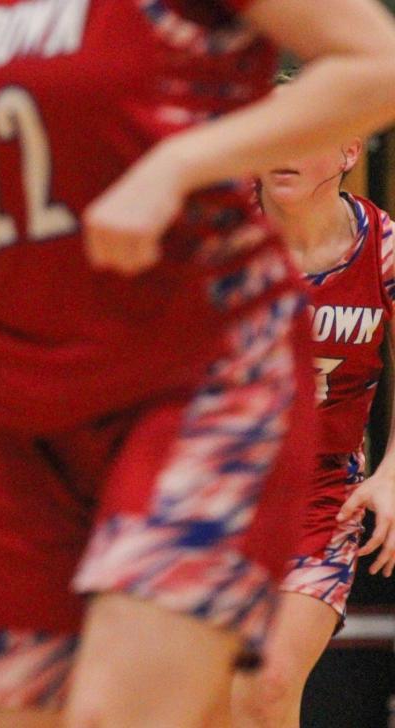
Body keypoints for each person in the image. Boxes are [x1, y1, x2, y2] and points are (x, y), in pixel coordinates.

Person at [0, 1, 395, 726]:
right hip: (29, 410)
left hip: (197, 383)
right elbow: (68, 220)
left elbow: (378, 64)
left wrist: (181, 162)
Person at [228, 114, 395, 726]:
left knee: (269, 681)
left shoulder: (383, 249)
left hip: (319, 494)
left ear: (349, 150)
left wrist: (391, 475)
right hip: (206, 488)